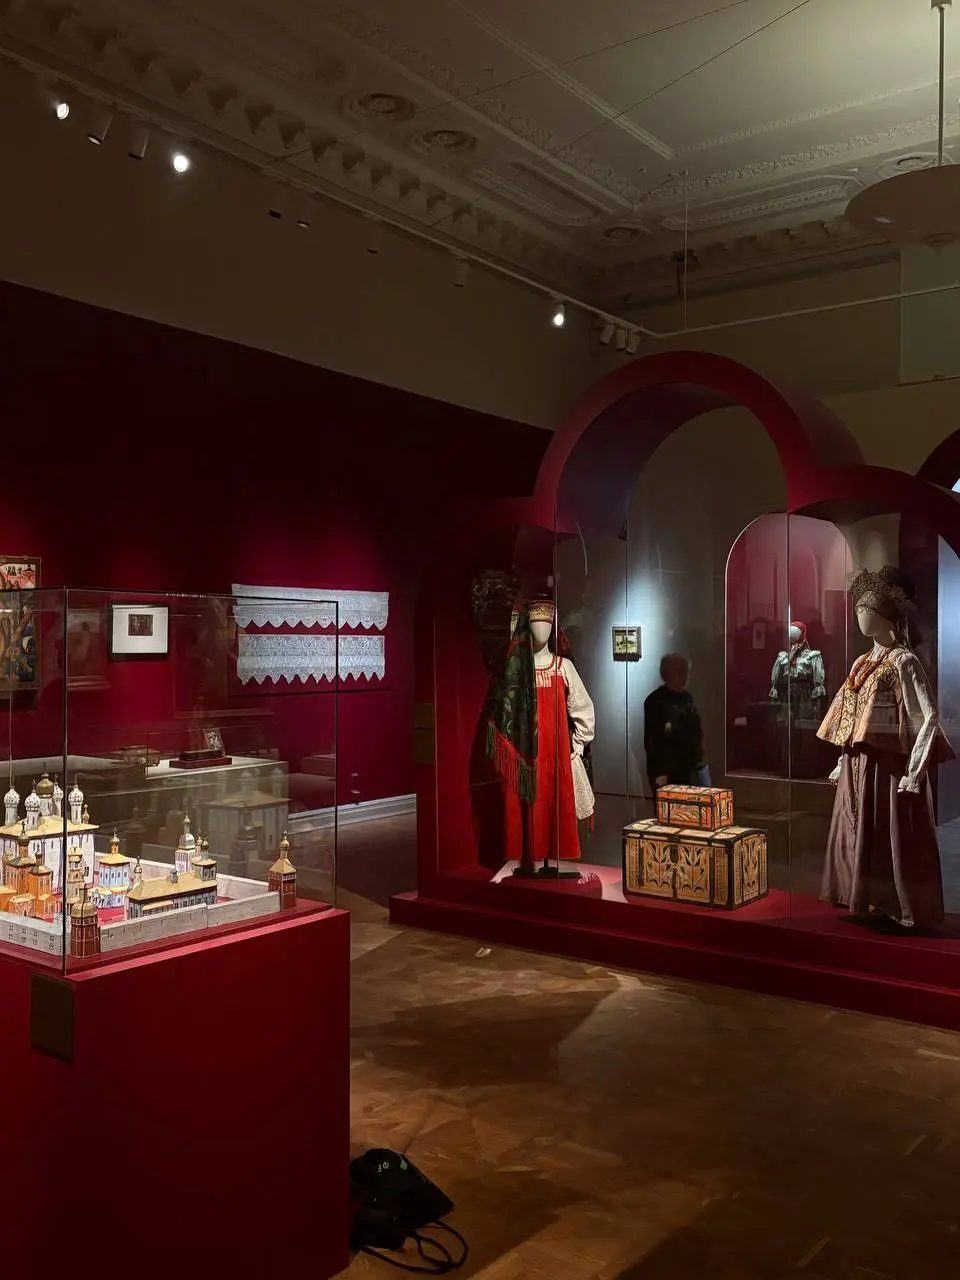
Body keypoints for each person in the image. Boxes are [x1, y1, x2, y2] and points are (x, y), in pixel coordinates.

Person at [643, 653, 709, 794]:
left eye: (686, 671)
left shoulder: (687, 698)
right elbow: (653, 741)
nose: (686, 676)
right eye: (681, 671)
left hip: (689, 770)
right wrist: (661, 773)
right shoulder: (655, 701)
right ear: (666, 673)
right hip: (668, 773)